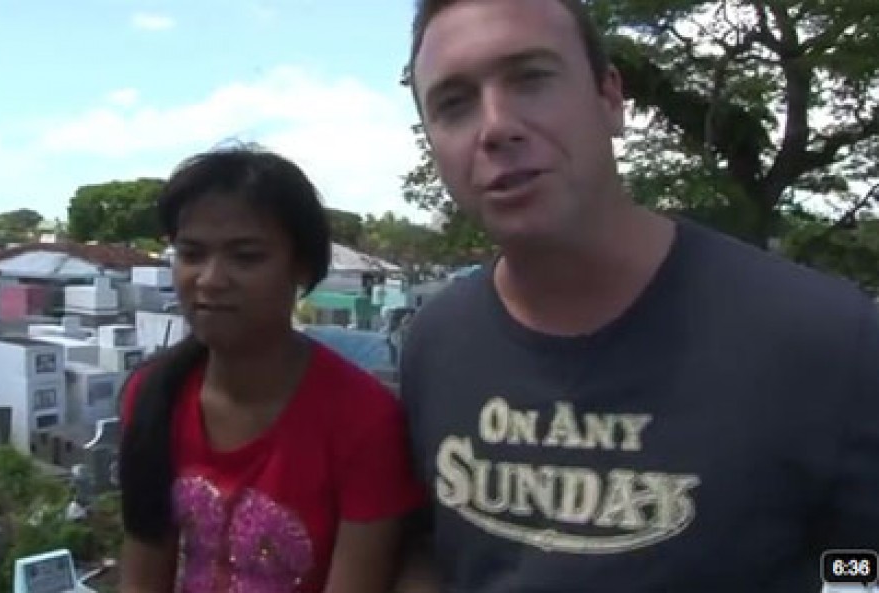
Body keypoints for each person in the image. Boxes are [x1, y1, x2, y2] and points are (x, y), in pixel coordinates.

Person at [396, 0, 879, 591]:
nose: (495, 125)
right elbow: (428, 549)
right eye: (454, 103)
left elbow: (862, 565)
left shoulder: (825, 338)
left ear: (610, 100)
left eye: (531, 79)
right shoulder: (435, 344)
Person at [118, 145, 425, 593]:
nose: (210, 279)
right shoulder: (153, 393)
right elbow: (143, 569)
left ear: (300, 266)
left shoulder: (363, 419)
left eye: (246, 257)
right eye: (191, 254)